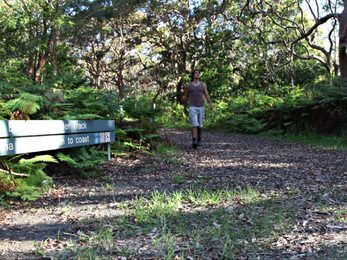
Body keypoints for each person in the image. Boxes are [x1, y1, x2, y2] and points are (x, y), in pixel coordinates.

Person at [183, 69, 213, 149]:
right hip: (192, 107)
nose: (197, 74)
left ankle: (199, 139)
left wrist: (210, 104)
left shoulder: (203, 85)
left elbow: (206, 94)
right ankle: (194, 140)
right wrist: (184, 106)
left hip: (201, 107)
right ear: (193, 75)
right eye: (196, 73)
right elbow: (186, 96)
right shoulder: (189, 85)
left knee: (200, 125)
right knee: (194, 124)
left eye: (198, 73)